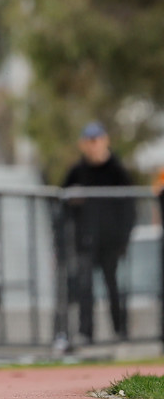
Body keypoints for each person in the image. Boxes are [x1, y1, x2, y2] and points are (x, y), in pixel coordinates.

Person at [62, 121, 135, 345]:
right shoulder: (77, 171)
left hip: (112, 241)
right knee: (85, 288)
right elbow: (62, 201)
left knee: (114, 287)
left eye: (97, 140)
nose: (93, 145)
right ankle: (86, 333)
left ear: (105, 141)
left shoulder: (118, 170)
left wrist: (124, 238)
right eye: (89, 141)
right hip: (85, 240)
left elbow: (129, 207)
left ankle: (120, 331)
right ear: (83, 144)